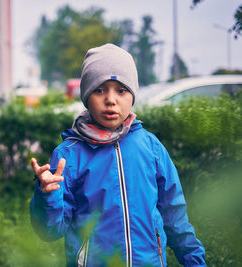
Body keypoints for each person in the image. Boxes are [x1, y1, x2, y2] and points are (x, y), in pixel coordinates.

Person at [30, 43, 206, 267]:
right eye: (99, 89)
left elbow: (175, 215)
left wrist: (195, 261)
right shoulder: (69, 156)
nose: (111, 99)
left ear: (132, 95)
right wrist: (47, 195)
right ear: (86, 96)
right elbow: (50, 231)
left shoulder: (151, 147)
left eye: (121, 90)